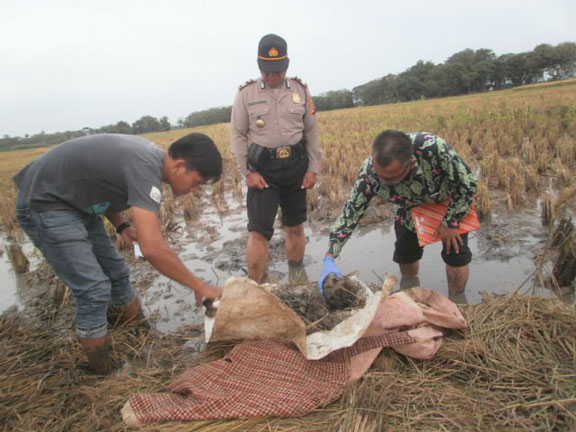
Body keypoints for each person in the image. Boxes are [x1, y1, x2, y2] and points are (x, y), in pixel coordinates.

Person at [13, 132, 224, 374]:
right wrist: (199, 286)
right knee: (93, 288)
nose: (193, 190)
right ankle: (104, 373)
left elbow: (102, 184)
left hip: (77, 202)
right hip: (46, 201)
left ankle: (142, 337)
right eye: (197, 181)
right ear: (179, 166)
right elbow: (153, 248)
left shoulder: (150, 163)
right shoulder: (145, 168)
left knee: (118, 272)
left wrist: (122, 225)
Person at [319, 130, 478, 295]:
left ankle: (457, 301)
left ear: (410, 164)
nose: (384, 183)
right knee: (404, 252)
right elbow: (350, 214)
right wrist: (330, 256)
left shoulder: (433, 148)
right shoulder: (369, 172)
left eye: (391, 178)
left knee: (456, 251)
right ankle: (411, 290)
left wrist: (451, 222)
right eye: (381, 177)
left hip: (449, 201)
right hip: (410, 205)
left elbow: (469, 183)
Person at [231, 33, 322, 283]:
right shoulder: (245, 94)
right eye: (267, 70)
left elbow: (312, 132)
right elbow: (238, 135)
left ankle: (297, 280)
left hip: (296, 167)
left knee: (295, 226)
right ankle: (257, 288)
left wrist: (313, 168)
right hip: (264, 170)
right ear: (260, 66)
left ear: (287, 64)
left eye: (278, 70)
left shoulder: (301, 90)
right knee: (259, 231)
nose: (272, 76)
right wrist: (248, 173)